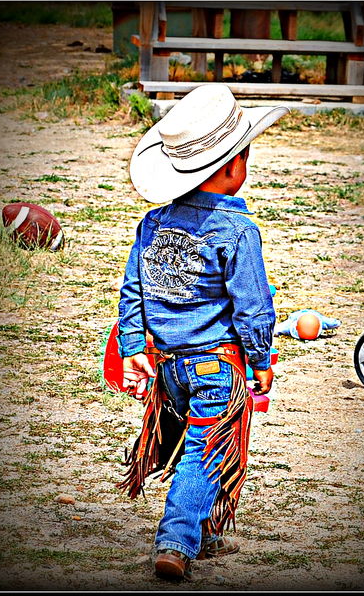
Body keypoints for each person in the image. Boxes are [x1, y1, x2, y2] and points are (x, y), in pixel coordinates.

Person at [115, 84, 289, 580]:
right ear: (235, 166)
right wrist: (260, 360)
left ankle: (207, 531)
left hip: (169, 369)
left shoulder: (153, 224)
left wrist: (132, 349)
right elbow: (254, 308)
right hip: (217, 368)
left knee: (201, 447)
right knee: (207, 452)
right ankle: (175, 540)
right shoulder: (238, 231)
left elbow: (133, 291)